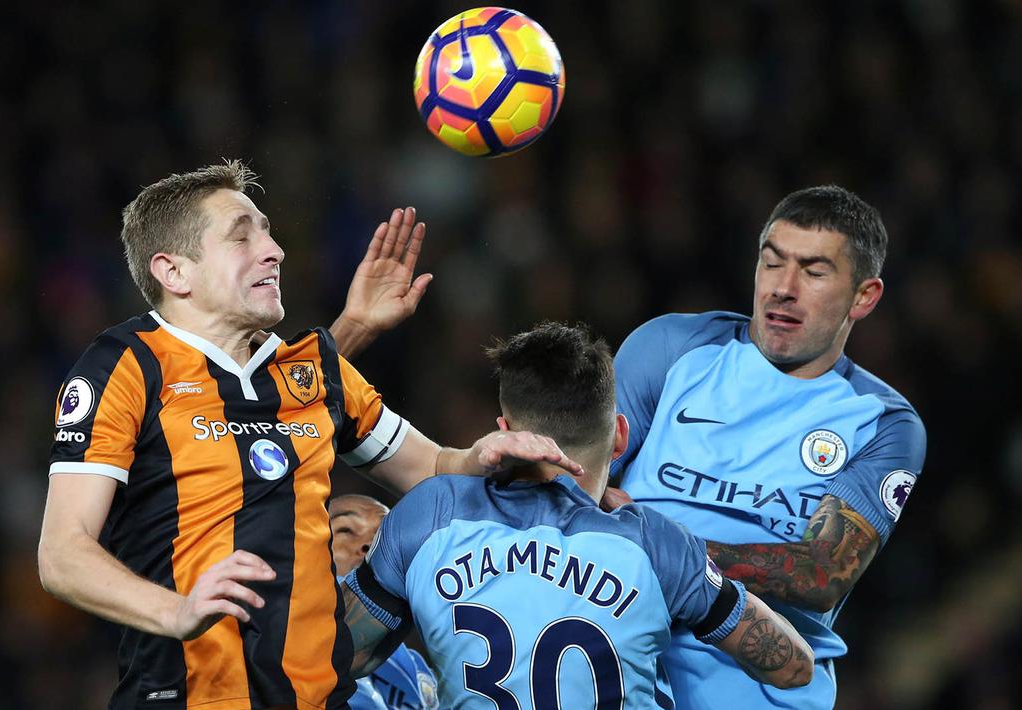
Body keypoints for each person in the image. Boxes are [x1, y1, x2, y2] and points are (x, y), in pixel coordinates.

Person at [36, 160, 584, 710]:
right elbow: (62, 554)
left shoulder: (314, 370)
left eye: (267, 232)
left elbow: (434, 470)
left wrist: (482, 454)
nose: (273, 251)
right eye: (241, 237)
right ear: (174, 272)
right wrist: (176, 611)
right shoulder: (126, 365)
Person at [340, 322, 814, 708]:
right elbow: (794, 667)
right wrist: (692, 570)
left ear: (504, 430)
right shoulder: (655, 545)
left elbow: (340, 657)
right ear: (620, 436)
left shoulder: (430, 514)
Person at [609, 185, 927, 708]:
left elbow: (821, 572)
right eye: (772, 263)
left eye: (814, 272)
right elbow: (573, 481)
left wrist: (661, 546)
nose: (783, 288)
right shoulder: (672, 348)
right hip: (626, 677)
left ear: (864, 297)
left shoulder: (882, 422)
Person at [329, 495, 439, 710]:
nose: (370, 544)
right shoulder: (277, 633)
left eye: (383, 535)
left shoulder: (419, 670)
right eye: (346, 530)